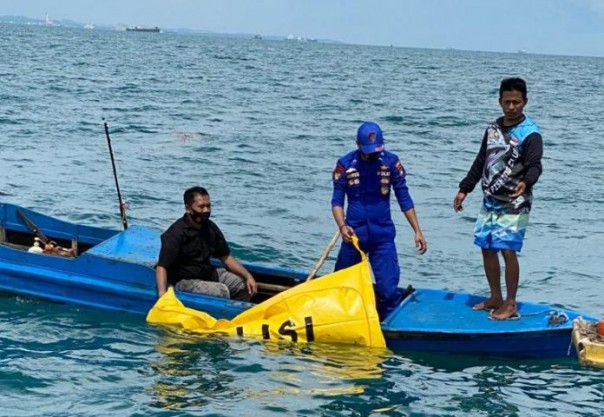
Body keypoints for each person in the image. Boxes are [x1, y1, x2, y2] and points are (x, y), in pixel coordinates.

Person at [453, 77, 543, 320]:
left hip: (515, 201)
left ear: (525, 102)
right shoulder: (492, 128)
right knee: (486, 247)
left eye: (516, 102)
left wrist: (527, 182)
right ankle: (495, 296)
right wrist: (465, 188)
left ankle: (511, 303)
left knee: (507, 250)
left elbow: (535, 165)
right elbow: (481, 159)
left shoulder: (530, 133)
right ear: (500, 101)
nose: (511, 107)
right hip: (490, 200)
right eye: (507, 102)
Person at [331, 121, 427, 319]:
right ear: (358, 145)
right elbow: (336, 201)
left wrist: (417, 230)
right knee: (341, 288)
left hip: (382, 236)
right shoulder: (345, 164)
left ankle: (389, 327)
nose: (372, 154)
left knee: (389, 291)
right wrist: (342, 226)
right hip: (353, 237)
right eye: (368, 151)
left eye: (376, 150)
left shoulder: (391, 162)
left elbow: (404, 197)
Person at [155, 186, 257, 301]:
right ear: (188, 208)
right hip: (184, 281)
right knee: (220, 291)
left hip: (208, 274)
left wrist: (248, 276)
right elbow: (162, 267)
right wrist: (162, 293)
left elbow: (226, 257)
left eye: (208, 206)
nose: (206, 210)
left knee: (242, 285)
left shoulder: (210, 228)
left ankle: (238, 313)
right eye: (201, 207)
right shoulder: (176, 233)